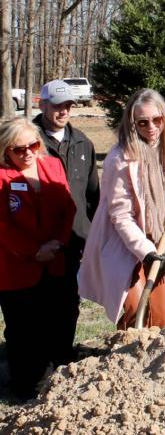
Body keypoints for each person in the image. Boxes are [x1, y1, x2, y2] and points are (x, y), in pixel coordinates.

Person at [79, 89, 165, 327]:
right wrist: (145, 250)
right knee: (135, 314)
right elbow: (120, 215)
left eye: (157, 120)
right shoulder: (120, 158)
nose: (151, 127)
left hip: (160, 241)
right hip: (126, 245)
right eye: (142, 122)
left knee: (164, 316)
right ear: (132, 124)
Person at [0, 116, 76, 400]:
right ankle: (25, 385)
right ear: (6, 150)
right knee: (23, 329)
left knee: (58, 319)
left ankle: (59, 376)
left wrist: (58, 243)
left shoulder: (53, 165)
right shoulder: (2, 176)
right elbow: (2, 226)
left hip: (55, 259)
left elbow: (68, 207)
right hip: (17, 266)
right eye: (18, 149)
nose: (28, 152)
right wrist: (34, 250)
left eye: (33, 144)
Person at [33, 78, 98, 345]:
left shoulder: (83, 143)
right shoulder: (26, 141)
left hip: (74, 239)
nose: (64, 112)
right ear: (44, 105)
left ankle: (62, 357)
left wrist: (93, 237)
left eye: (69, 105)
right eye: (58, 106)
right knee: (35, 306)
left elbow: (93, 196)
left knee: (69, 302)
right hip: (36, 240)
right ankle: (34, 367)